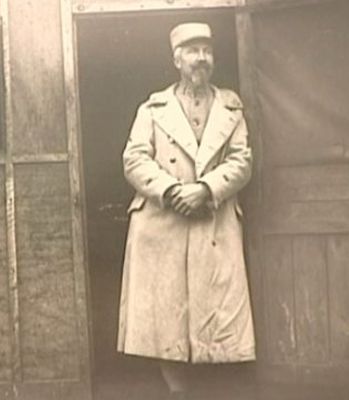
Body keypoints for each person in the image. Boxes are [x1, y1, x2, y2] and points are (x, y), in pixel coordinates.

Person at [117, 22, 256, 399]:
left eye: (207, 51)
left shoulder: (230, 105)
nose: (201, 59)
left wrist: (206, 189)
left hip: (212, 216)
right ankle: (176, 389)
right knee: (167, 311)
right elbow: (134, 159)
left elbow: (243, 161)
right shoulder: (153, 107)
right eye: (193, 52)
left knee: (215, 305)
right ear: (176, 59)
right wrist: (172, 190)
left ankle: (211, 387)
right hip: (164, 220)